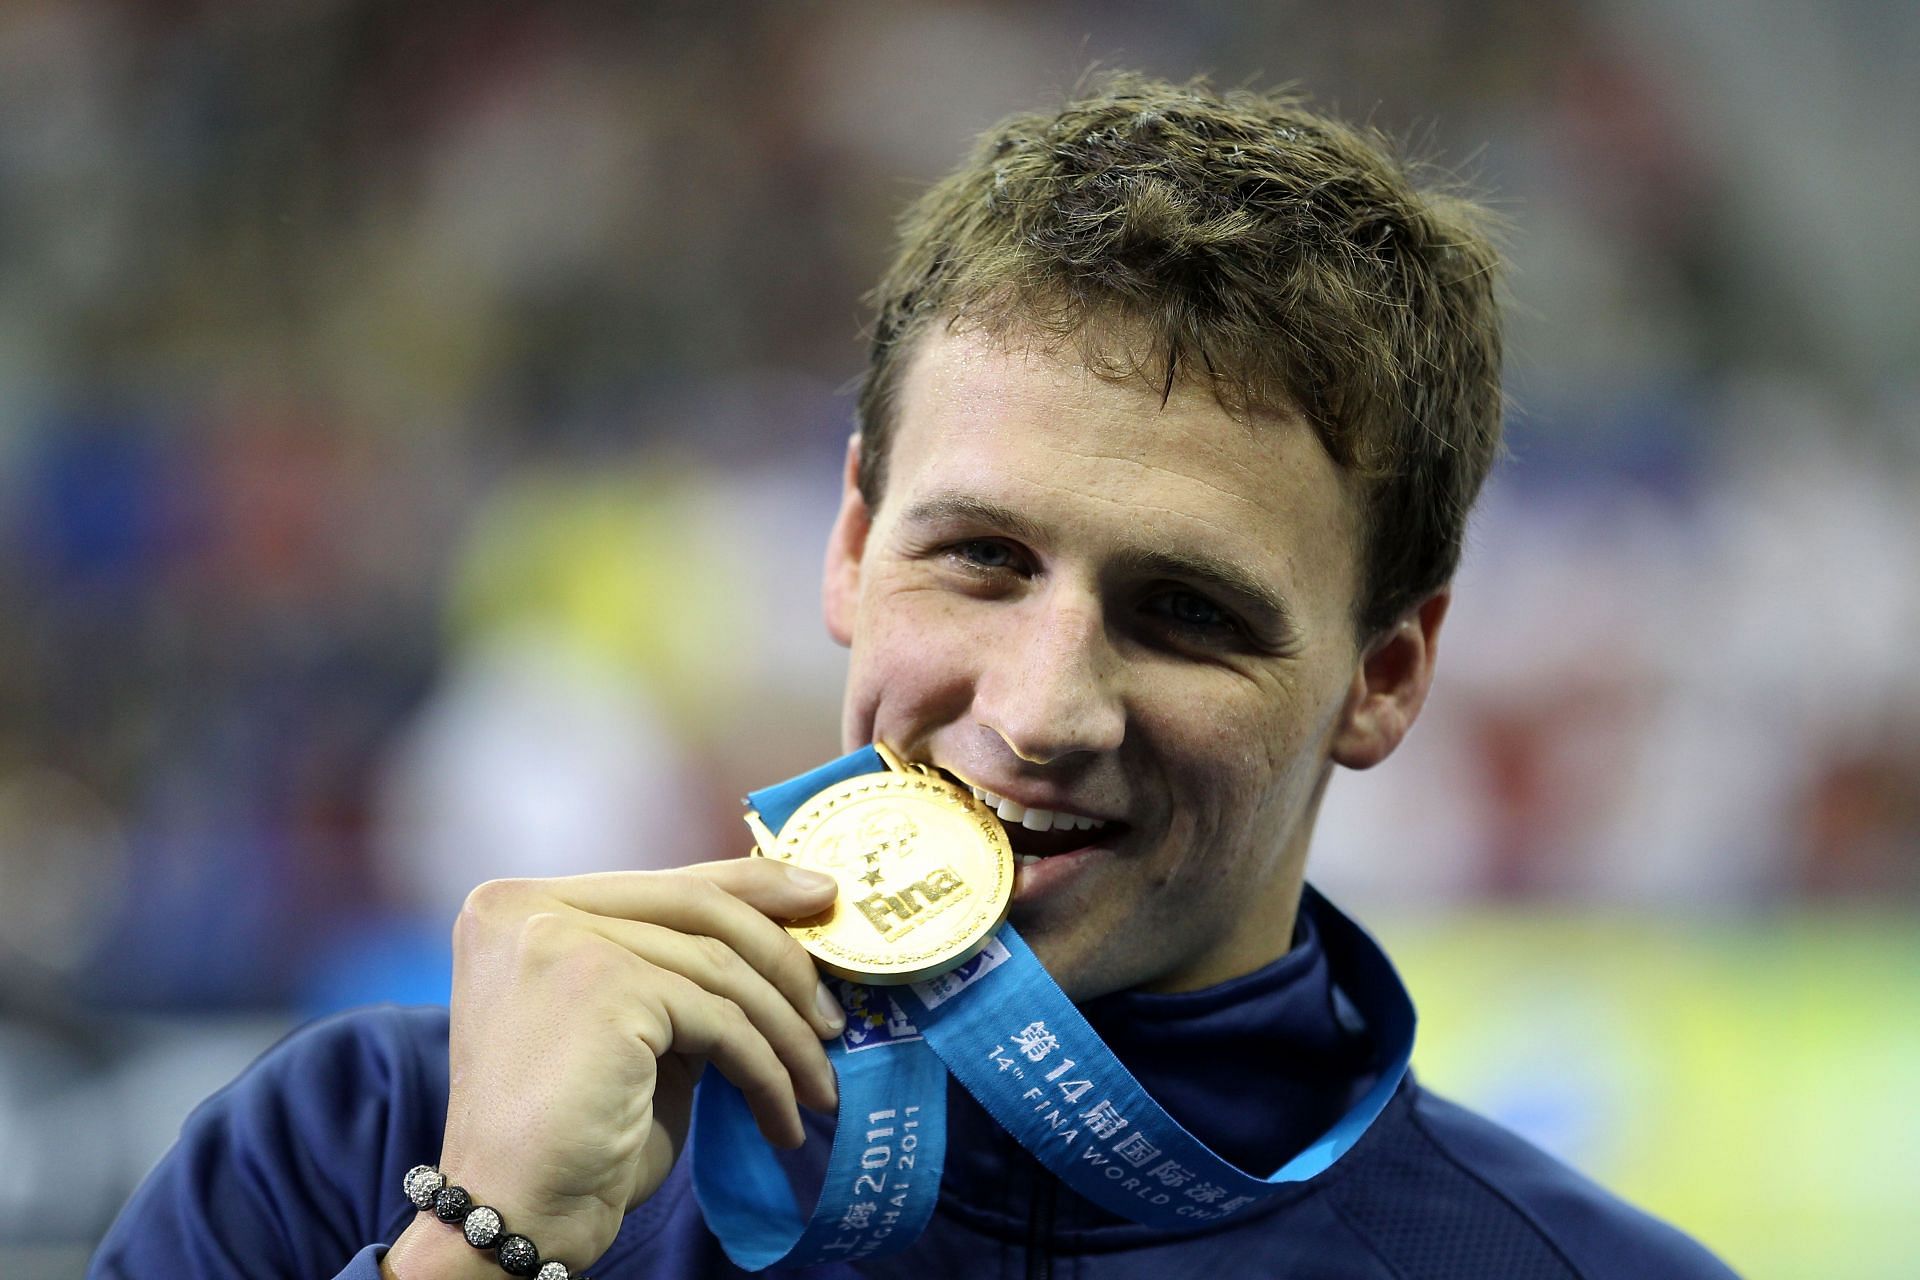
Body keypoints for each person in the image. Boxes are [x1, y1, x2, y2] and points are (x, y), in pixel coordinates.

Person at [92, 75, 1738, 1279]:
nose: (1038, 712)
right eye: (983, 562)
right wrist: (483, 1245)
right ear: (850, 543)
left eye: (1184, 612)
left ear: (1385, 676)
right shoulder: (349, 1156)